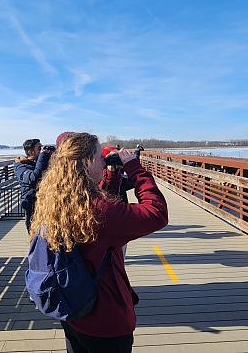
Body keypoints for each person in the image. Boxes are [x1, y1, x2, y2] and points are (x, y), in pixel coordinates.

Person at [30, 132, 168, 353]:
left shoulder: (59, 200)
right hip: (107, 320)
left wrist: (112, 178)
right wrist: (135, 168)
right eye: (100, 157)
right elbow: (156, 213)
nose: (105, 161)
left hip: (74, 311)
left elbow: (102, 222)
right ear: (87, 162)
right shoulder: (98, 211)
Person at [14, 138, 53, 233]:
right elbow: (34, 178)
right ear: (31, 152)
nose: (42, 150)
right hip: (31, 204)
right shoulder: (20, 166)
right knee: (34, 234)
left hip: (44, 203)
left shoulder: (38, 162)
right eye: (39, 148)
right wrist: (43, 156)